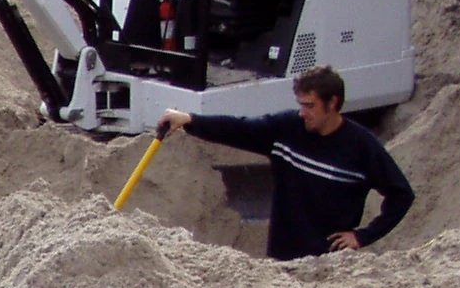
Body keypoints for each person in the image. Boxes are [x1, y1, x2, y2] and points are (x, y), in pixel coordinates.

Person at [155, 65, 414, 260]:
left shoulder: (362, 147)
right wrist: (190, 120)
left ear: (332, 103)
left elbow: (401, 195)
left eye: (310, 106)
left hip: (330, 267)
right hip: (280, 262)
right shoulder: (287, 129)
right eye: (300, 104)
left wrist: (362, 236)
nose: (303, 112)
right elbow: (239, 128)